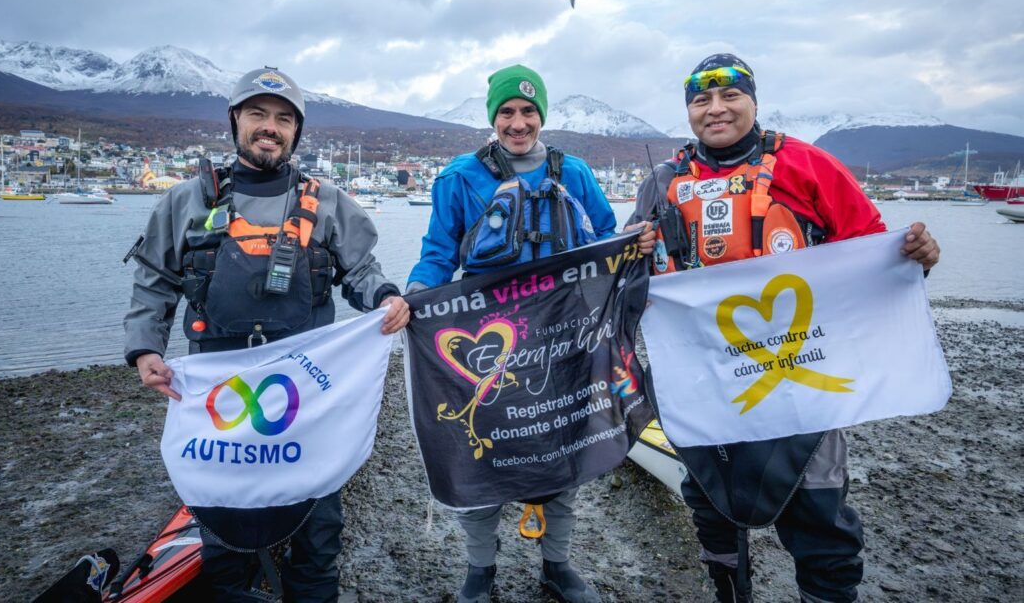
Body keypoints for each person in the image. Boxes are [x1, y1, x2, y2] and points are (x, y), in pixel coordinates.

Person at [627, 53, 940, 602]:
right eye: (701, 100)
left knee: (820, 515)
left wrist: (919, 255)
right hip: (705, 384)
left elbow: (872, 254)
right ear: (688, 111)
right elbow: (628, 276)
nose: (716, 109)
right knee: (711, 508)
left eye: (730, 97)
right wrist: (635, 252)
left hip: (799, 380)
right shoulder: (662, 183)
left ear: (754, 101)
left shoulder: (808, 165)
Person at [123, 66, 410, 602]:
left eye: (283, 119)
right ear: (235, 121)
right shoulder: (186, 201)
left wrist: (386, 298)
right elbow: (154, 282)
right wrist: (144, 351)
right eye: (257, 114)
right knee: (224, 531)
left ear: (296, 132)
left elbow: (363, 273)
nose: (269, 127)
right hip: (219, 395)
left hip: (306, 396)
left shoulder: (329, 204)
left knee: (319, 532)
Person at [408, 65, 648, 603]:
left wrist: (634, 250)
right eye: (507, 113)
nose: (518, 123)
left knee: (565, 451)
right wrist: (413, 299)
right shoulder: (458, 178)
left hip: (565, 340)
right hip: (487, 343)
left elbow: (605, 242)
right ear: (493, 117)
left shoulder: (575, 174)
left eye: (528, 112)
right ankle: (480, 570)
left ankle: (556, 566)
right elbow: (438, 256)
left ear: (542, 115)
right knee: (482, 454)